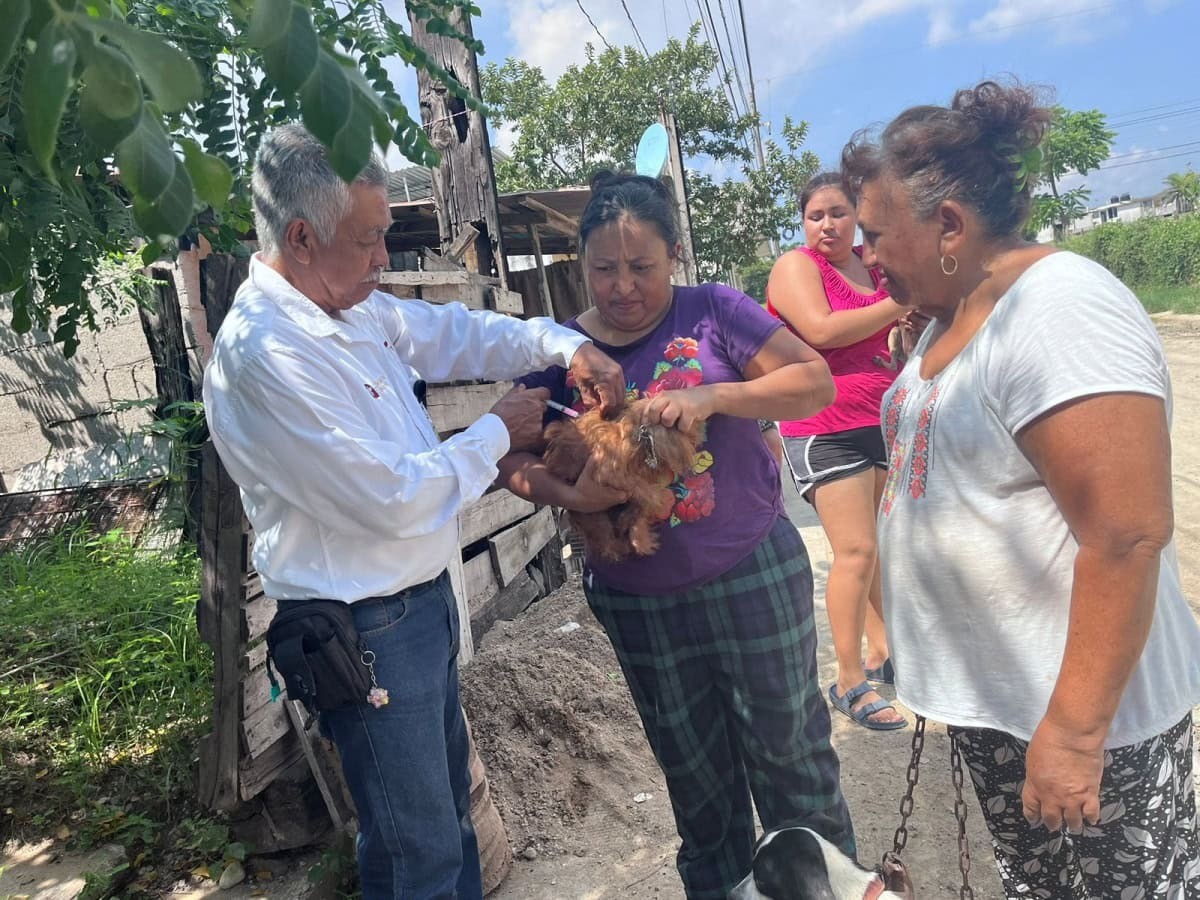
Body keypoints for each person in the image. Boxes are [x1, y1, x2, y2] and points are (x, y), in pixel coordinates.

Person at [201, 123, 625, 900]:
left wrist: (560, 345)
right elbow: (391, 497)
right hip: (364, 634)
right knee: (414, 856)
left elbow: (450, 332)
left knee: (450, 829)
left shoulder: (348, 310)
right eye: (369, 241)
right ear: (300, 237)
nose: (382, 259)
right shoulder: (266, 354)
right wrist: (502, 428)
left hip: (417, 609)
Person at [843, 80, 1200, 897]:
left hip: (1087, 722)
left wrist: (1074, 736)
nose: (864, 255)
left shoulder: (1059, 309)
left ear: (950, 227)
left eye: (874, 235)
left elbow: (1126, 533)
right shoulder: (949, 317)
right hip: (1009, 708)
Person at [498, 171, 852, 900]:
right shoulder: (565, 354)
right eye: (604, 269)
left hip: (752, 574)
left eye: (642, 267)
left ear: (675, 256)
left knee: (793, 766)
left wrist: (712, 394)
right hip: (640, 603)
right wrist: (570, 491)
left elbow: (814, 381)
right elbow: (506, 456)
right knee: (701, 793)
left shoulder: (715, 311)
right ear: (581, 265)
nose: (624, 286)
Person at [765, 172, 907, 731]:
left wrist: (903, 312)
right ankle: (848, 678)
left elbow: (895, 334)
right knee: (853, 551)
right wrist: (900, 301)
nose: (827, 224)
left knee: (877, 550)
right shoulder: (796, 267)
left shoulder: (873, 268)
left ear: (857, 217)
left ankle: (883, 650)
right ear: (803, 222)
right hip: (823, 423)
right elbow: (821, 331)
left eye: (838, 213)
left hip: (882, 419)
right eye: (815, 215)